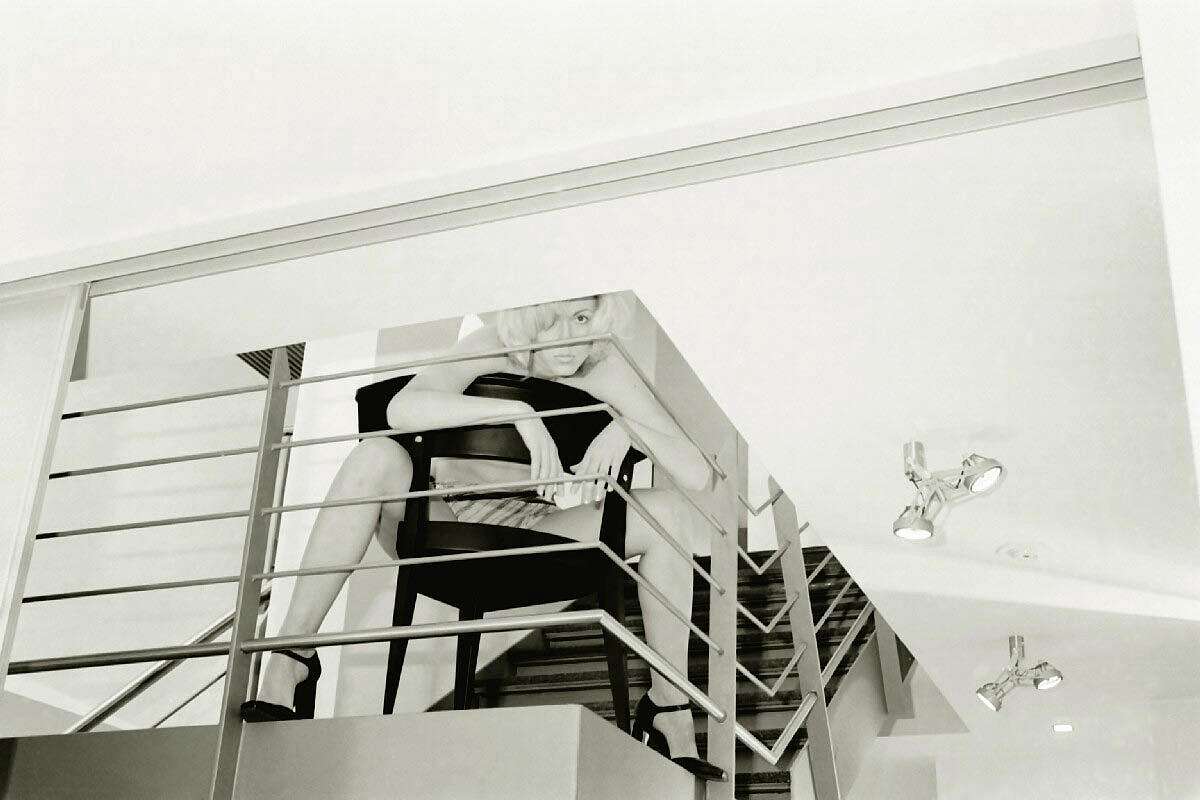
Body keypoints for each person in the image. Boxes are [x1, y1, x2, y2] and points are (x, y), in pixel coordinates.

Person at [240, 294, 726, 781]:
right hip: (441, 511)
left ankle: (668, 706)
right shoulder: (494, 344)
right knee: (375, 456)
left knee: (668, 513)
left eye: (582, 318)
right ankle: (292, 655)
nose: (568, 338)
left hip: (530, 520)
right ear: (526, 319)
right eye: (550, 321)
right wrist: (516, 414)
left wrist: (629, 429)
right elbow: (401, 408)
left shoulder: (605, 364)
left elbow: (697, 474)